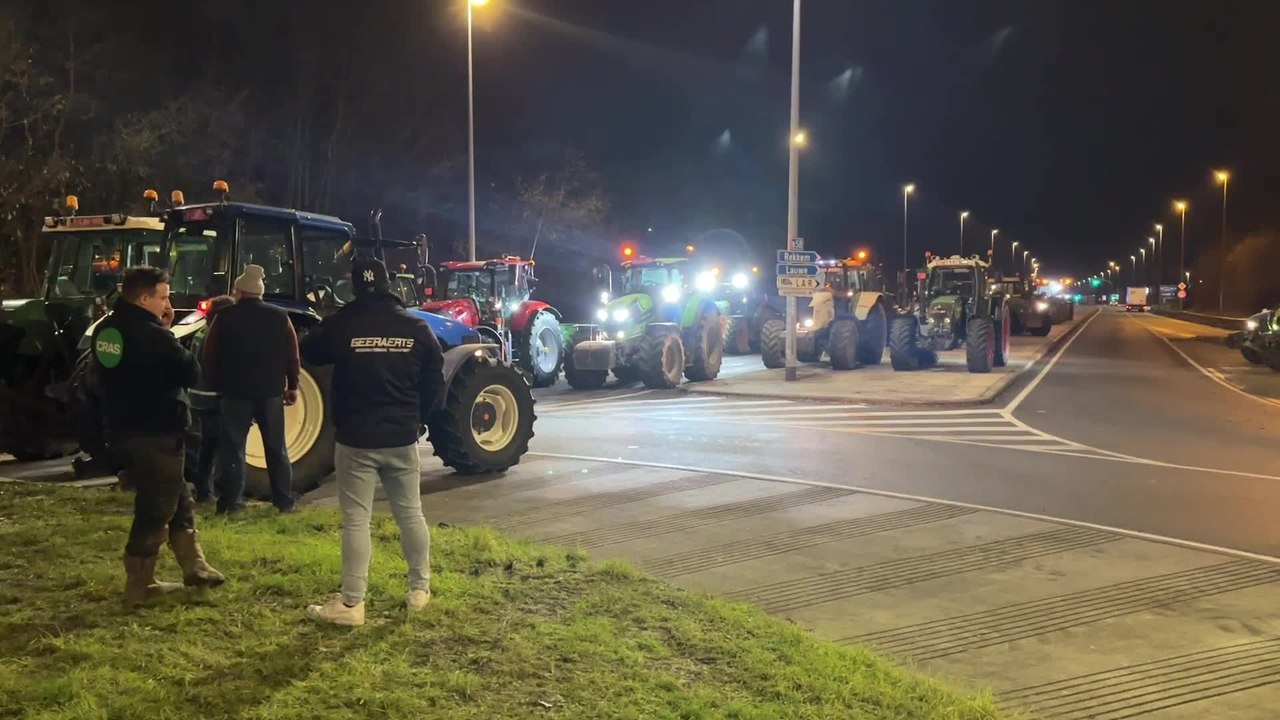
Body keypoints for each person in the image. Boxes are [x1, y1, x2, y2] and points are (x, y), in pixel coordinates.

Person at [300, 255, 444, 627]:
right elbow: (434, 382)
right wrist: (418, 419)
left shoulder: (343, 325)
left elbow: (309, 350)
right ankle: (420, 590)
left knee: (356, 521)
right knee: (410, 513)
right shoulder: (416, 328)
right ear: (389, 284)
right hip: (401, 436)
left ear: (355, 286)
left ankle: (352, 604)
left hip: (356, 439)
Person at [90, 266, 224, 610]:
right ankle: (141, 584)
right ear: (145, 298)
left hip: (123, 426)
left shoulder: (106, 330)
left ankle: (195, 567)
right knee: (157, 506)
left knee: (177, 495)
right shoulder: (153, 335)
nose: (168, 303)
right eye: (163, 296)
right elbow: (190, 371)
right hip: (156, 430)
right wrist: (169, 332)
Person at [203, 265, 301, 514]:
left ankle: (231, 503)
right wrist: (293, 386)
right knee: (276, 448)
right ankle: (284, 501)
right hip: (270, 392)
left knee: (234, 448)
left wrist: (218, 383)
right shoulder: (280, 316)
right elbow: (292, 355)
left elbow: (210, 354)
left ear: (239, 291)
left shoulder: (224, 317)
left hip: (235, 392)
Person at [184, 295, 234, 503]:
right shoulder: (217, 335)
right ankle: (209, 491)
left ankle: (203, 488)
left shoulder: (202, 330)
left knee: (205, 446)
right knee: (215, 447)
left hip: (196, 397)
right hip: (211, 398)